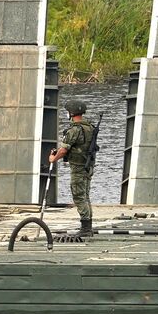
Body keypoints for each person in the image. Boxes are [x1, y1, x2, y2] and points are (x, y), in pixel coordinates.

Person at [49, 99, 97, 236]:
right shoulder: (90, 127)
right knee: (85, 196)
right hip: (88, 167)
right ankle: (88, 226)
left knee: (79, 197)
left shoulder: (74, 130)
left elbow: (64, 150)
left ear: (71, 113)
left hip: (78, 167)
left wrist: (53, 158)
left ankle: (86, 228)